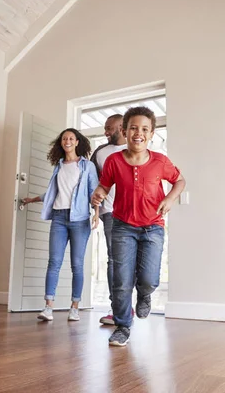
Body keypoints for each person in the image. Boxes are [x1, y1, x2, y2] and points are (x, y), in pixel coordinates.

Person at [91, 106, 186, 346]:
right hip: (123, 227)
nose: (138, 133)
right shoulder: (113, 161)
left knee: (149, 279)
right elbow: (104, 185)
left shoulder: (160, 161)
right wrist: (98, 194)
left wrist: (169, 198)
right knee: (121, 280)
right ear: (124, 131)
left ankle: (144, 295)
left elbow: (179, 181)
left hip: (152, 227)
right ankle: (123, 326)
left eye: (144, 129)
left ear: (152, 133)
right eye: (133, 127)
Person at [22, 128, 98, 322]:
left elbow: (94, 192)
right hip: (59, 217)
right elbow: (54, 192)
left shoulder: (87, 166)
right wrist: (33, 199)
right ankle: (48, 307)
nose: (68, 141)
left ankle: (74, 307)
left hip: (80, 219)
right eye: (64, 138)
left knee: (77, 264)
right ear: (61, 143)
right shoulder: (59, 166)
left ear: (77, 142)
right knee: (54, 262)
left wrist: (96, 213)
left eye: (71, 138)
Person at [89, 114, 131, 325]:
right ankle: (118, 309)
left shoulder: (135, 149)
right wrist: (95, 210)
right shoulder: (100, 152)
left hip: (134, 213)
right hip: (110, 213)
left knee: (133, 261)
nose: (105, 132)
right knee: (114, 260)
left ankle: (129, 306)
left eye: (109, 128)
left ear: (121, 127)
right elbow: (93, 182)